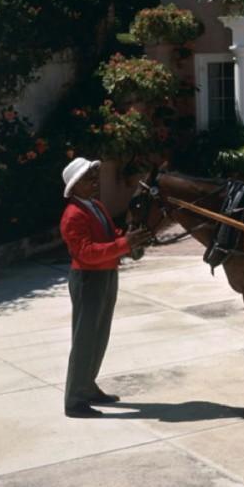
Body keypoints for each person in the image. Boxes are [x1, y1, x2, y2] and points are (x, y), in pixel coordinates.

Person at [60, 156, 148, 418]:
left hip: (106, 274)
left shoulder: (95, 206)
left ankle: (87, 386)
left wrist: (131, 240)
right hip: (88, 279)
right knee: (85, 339)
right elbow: (85, 253)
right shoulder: (73, 215)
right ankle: (74, 400)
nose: (94, 181)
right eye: (89, 177)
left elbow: (110, 238)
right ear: (75, 185)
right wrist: (124, 245)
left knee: (99, 336)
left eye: (95, 175)